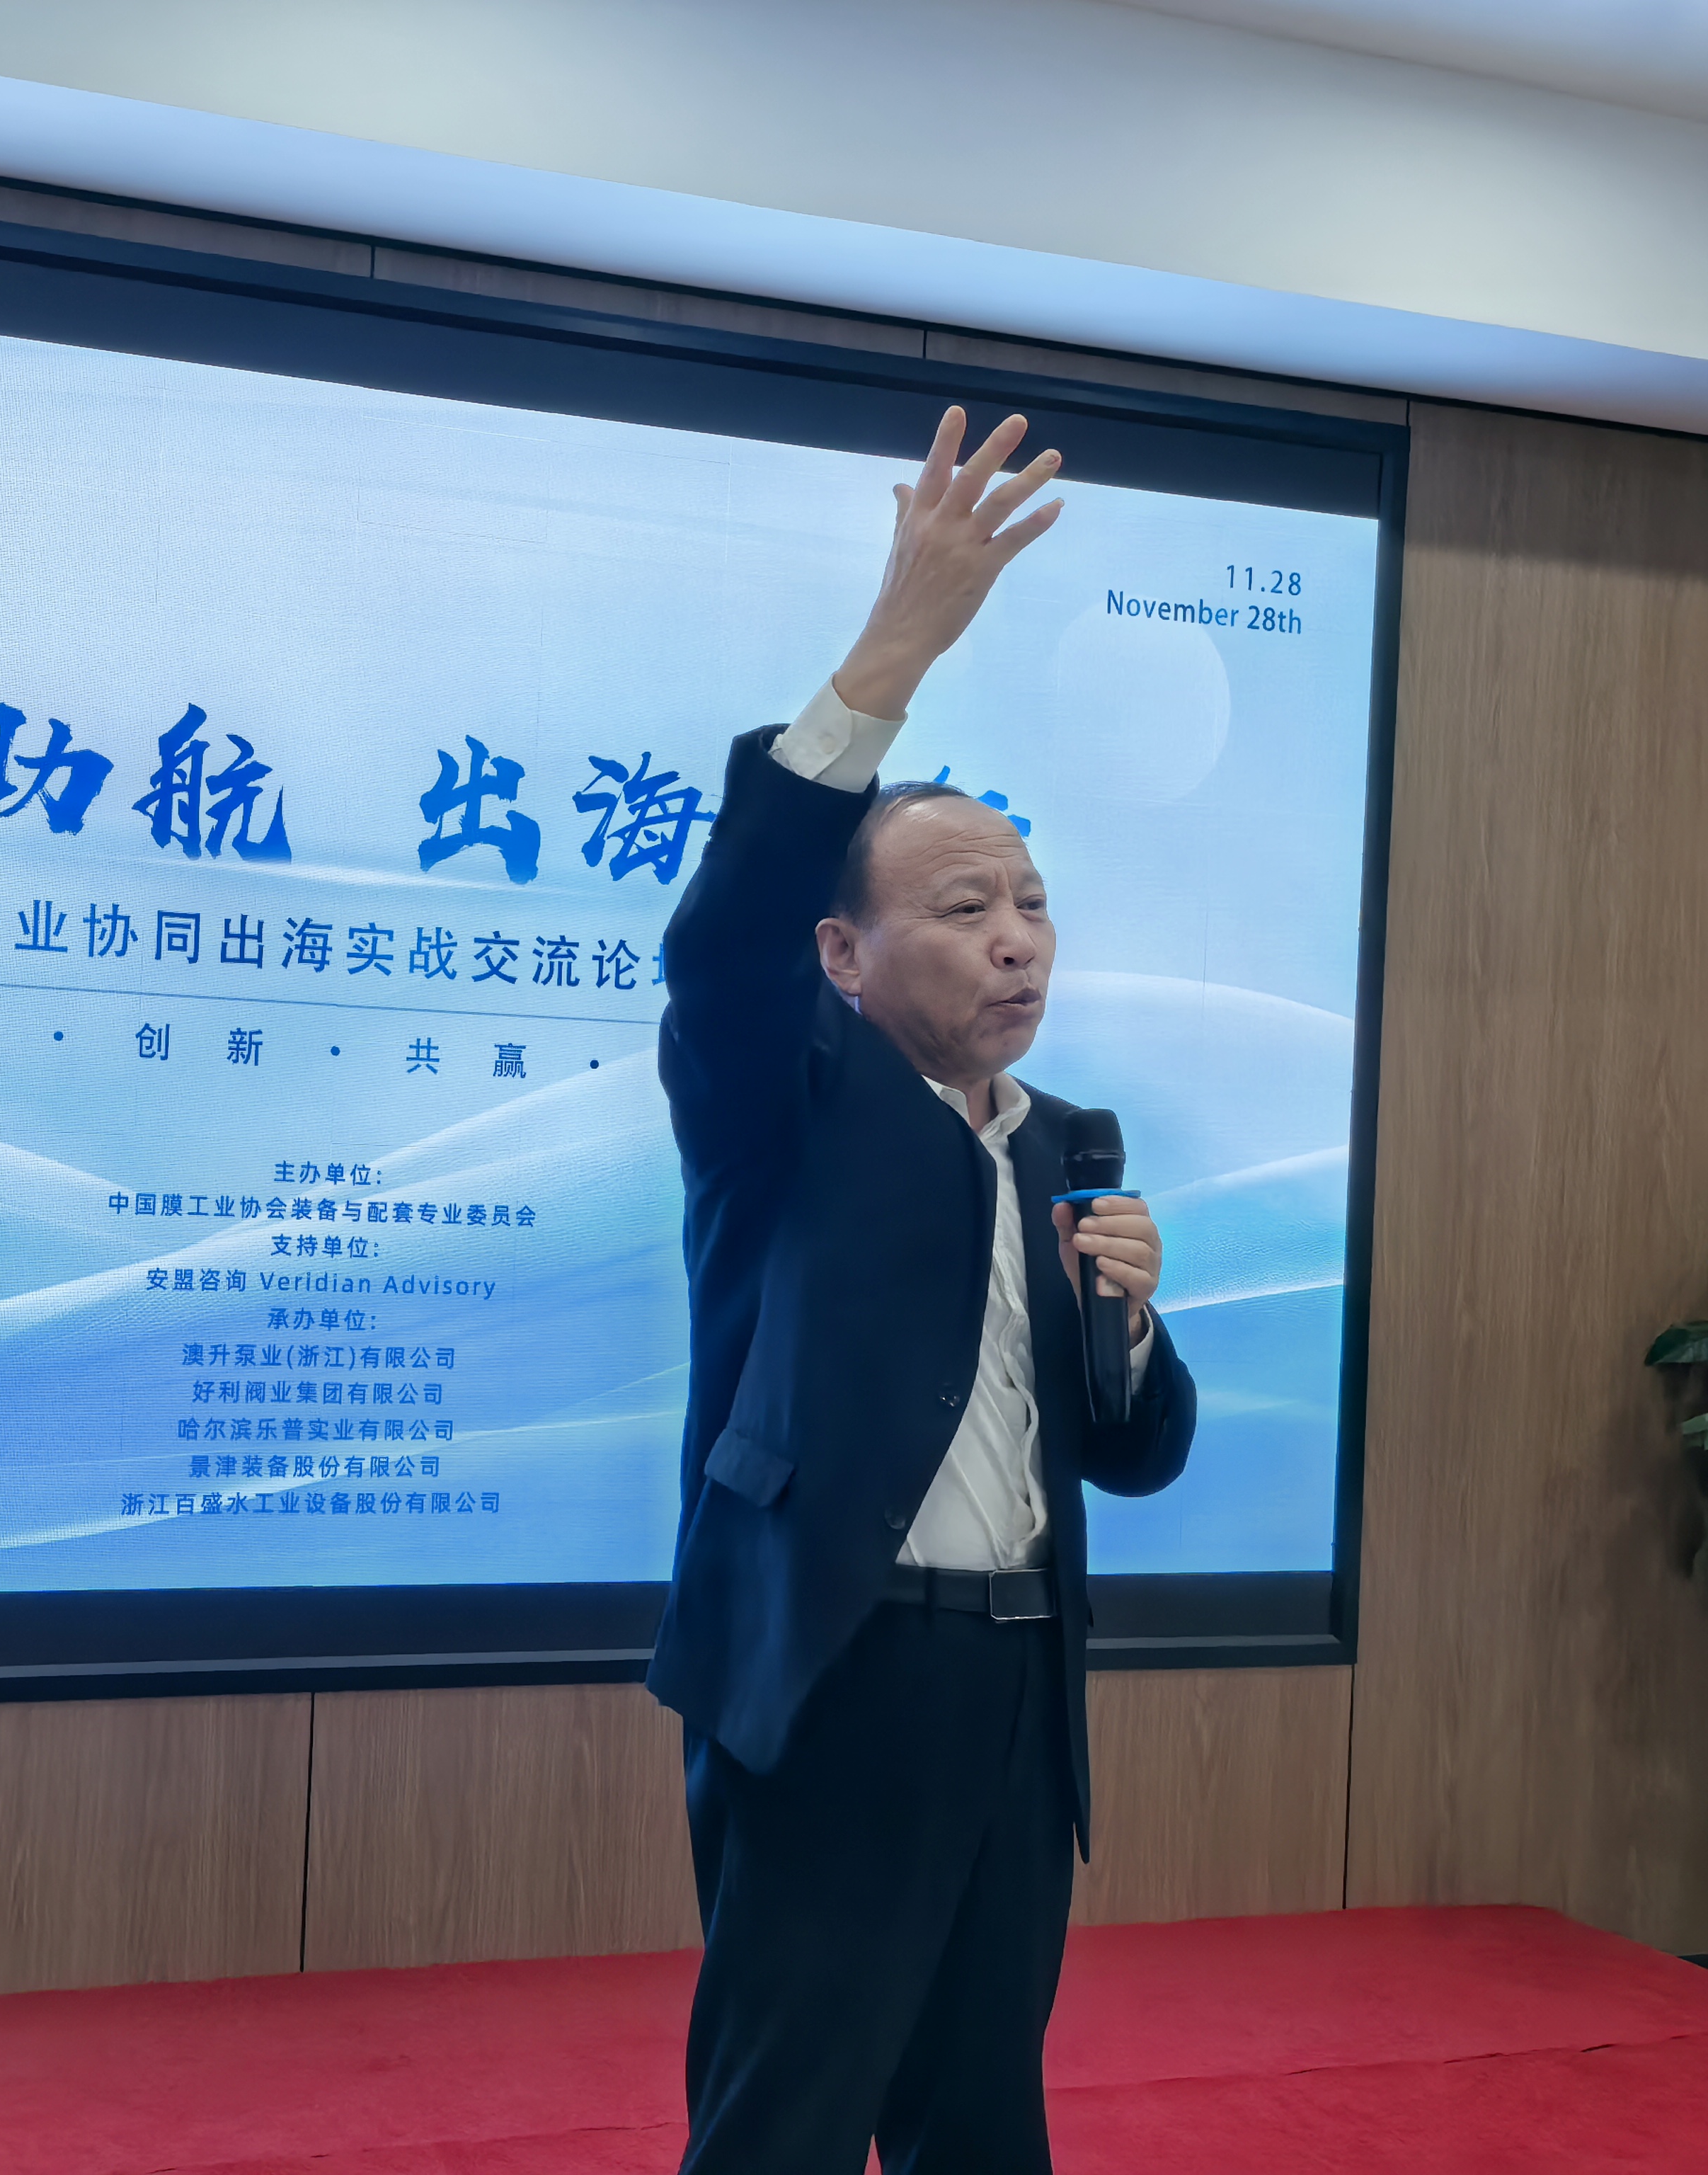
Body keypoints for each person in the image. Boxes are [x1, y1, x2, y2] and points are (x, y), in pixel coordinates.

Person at [645, 406, 1199, 2174]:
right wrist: (897, 646)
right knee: (786, 2117)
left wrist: (1131, 1327)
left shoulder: (1064, 1148)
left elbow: (1131, 1457)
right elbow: (719, 938)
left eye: (1029, 903)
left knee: (981, 2120)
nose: (1015, 937)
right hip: (836, 1667)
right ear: (844, 955)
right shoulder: (780, 1100)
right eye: (962, 908)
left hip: (1019, 1688)